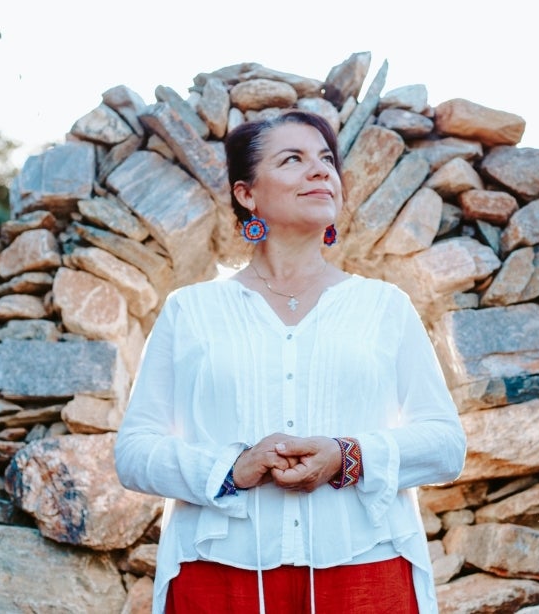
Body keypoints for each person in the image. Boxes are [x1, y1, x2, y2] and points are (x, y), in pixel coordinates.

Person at [114, 109, 466, 614]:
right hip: (218, 580)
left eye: (326, 159)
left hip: (367, 572)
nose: (320, 170)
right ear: (247, 194)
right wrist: (233, 467)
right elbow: (134, 452)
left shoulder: (385, 307)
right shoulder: (190, 311)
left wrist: (348, 456)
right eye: (292, 159)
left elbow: (446, 445)